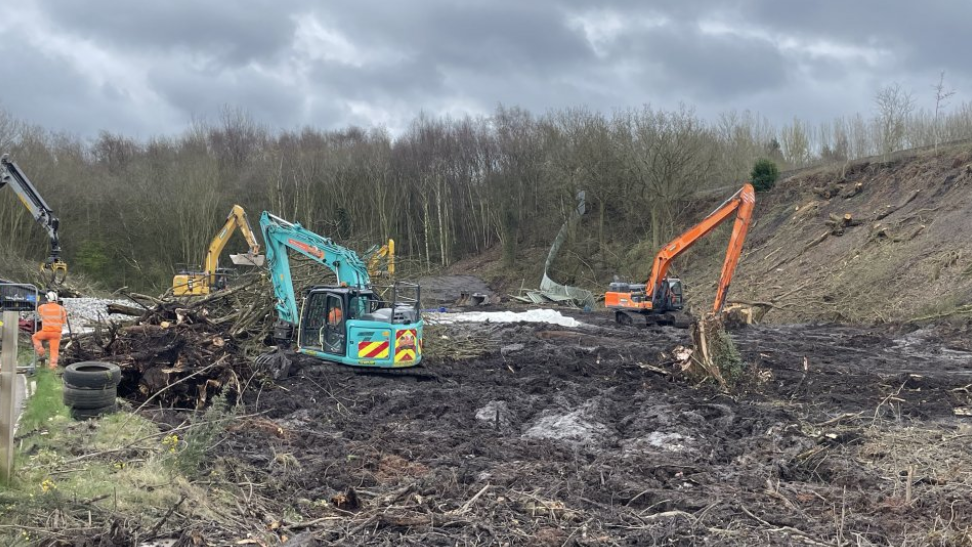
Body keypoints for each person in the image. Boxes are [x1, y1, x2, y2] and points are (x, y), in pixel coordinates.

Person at [32, 291, 67, 370]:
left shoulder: (42, 307)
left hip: (45, 332)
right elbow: (64, 321)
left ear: (48, 299)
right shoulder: (62, 309)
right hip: (56, 334)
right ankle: (52, 367)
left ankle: (41, 351)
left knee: (35, 337)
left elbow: (40, 312)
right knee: (54, 350)